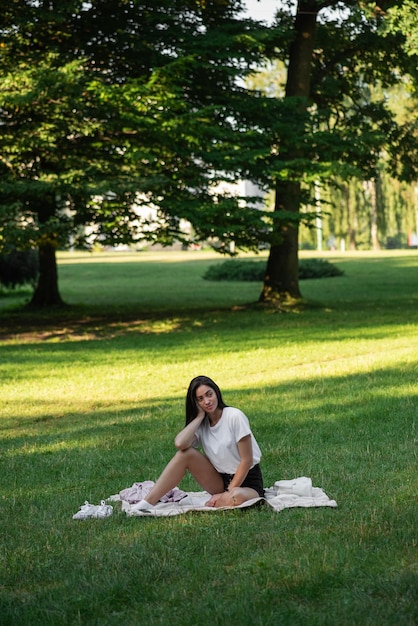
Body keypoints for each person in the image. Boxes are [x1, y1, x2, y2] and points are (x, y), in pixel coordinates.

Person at [131, 375, 264, 512]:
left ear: (216, 392)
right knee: (185, 454)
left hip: (247, 483)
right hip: (220, 480)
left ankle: (223, 499)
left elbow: (247, 460)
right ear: (196, 403)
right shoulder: (202, 425)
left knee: (235, 497)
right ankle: (147, 503)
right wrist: (199, 416)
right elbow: (180, 443)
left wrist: (228, 492)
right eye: (200, 399)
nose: (207, 401)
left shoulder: (234, 416)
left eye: (209, 394)